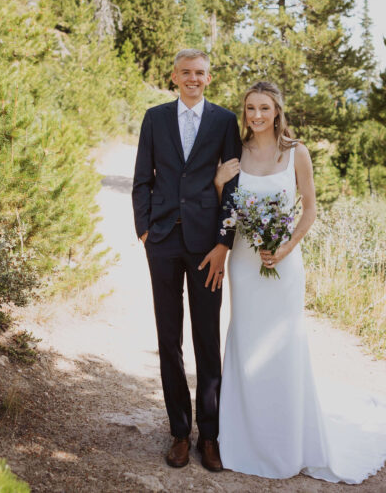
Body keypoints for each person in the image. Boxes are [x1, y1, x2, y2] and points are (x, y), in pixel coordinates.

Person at [214, 81, 386, 483]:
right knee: (245, 340)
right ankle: (241, 439)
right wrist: (220, 183)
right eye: (250, 108)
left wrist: (285, 249)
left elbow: (310, 209)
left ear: (277, 111)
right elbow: (228, 210)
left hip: (284, 264)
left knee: (284, 345)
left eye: (264, 108)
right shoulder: (236, 152)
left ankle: (286, 443)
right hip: (245, 264)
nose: (256, 115)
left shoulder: (296, 153)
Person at [131, 49, 242, 471]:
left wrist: (223, 242)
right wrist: (144, 230)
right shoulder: (155, 118)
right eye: (186, 73)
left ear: (208, 78)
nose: (193, 78)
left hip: (206, 247)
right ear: (174, 76)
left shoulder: (224, 121)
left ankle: (209, 436)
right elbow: (143, 178)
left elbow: (232, 188)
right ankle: (180, 431)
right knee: (168, 338)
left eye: (200, 73)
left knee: (207, 339)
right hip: (161, 241)